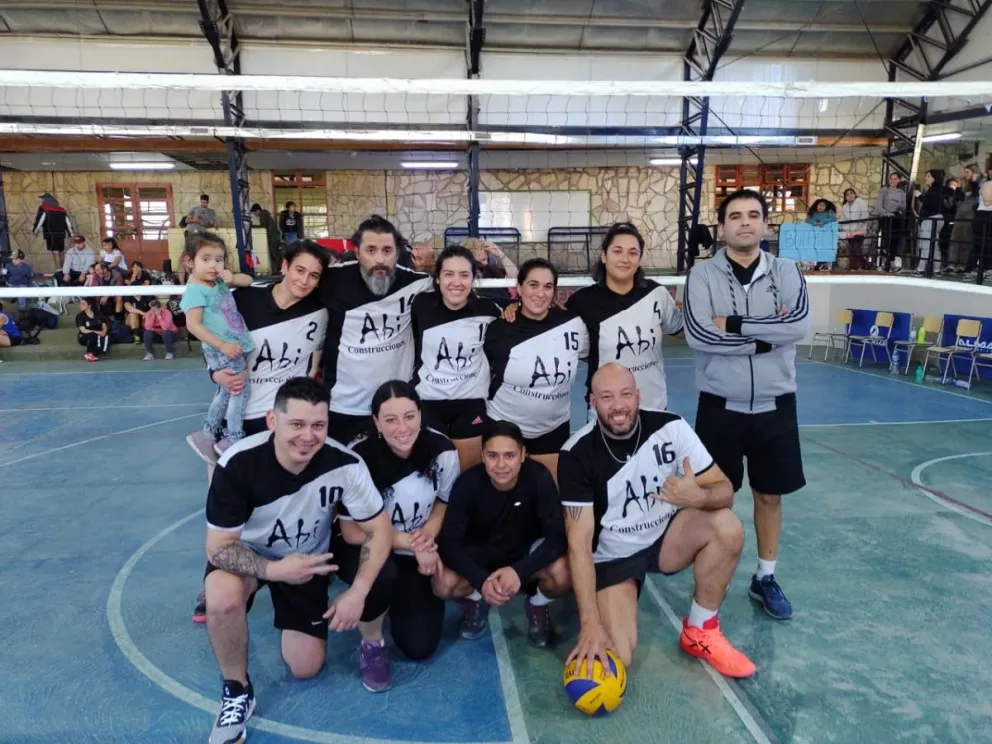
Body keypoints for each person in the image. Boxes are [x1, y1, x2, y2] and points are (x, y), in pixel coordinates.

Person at [202, 377, 392, 744]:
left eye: (318, 425)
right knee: (221, 598)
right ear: (272, 420)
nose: (308, 436)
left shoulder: (345, 464)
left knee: (305, 667)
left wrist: (358, 592)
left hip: (307, 563)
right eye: (297, 424)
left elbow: (379, 529)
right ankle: (236, 691)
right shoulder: (237, 463)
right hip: (251, 555)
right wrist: (274, 570)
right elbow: (218, 548)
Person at [559, 363, 755, 678]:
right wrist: (590, 622)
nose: (618, 405)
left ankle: (700, 630)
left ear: (638, 396)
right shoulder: (576, 453)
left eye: (626, 394)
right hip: (613, 557)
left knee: (726, 526)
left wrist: (698, 497)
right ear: (592, 403)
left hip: (665, 540)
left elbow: (725, 491)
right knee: (616, 659)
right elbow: (578, 543)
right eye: (607, 397)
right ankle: (595, 602)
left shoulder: (671, 428)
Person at [683, 188, 810, 621]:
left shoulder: (787, 270)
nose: (745, 222)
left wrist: (735, 324)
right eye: (735, 216)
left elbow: (798, 326)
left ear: (765, 224)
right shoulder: (702, 276)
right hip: (720, 405)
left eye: (753, 215)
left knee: (769, 495)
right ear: (722, 227)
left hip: (776, 404)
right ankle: (708, 581)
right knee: (714, 499)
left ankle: (765, 578)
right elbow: (700, 334)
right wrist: (765, 338)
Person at [189, 239, 330, 624]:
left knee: (291, 502)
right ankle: (217, 579)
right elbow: (208, 336)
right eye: (299, 270)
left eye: (313, 275)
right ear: (284, 266)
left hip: (287, 422)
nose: (304, 280)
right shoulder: (244, 300)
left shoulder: (320, 310)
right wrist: (215, 373)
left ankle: (298, 573)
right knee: (227, 506)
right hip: (241, 418)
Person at [334, 381, 461, 690]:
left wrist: (426, 537)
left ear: (420, 414)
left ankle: (392, 603)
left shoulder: (442, 450)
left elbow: (444, 502)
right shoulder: (357, 459)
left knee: (420, 647)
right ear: (376, 422)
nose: (402, 428)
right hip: (365, 546)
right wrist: (411, 543)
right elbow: (351, 531)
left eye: (409, 416)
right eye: (390, 419)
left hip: (416, 547)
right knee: (382, 574)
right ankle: (372, 642)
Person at [507, 222, 683, 413]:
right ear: (604, 256)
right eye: (617, 251)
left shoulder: (656, 293)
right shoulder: (582, 302)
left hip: (654, 407)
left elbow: (681, 329)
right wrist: (516, 305)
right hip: (606, 412)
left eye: (633, 253)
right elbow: (548, 323)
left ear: (639, 259)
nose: (625, 259)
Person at [436, 420, 570, 648]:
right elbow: (449, 542)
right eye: (492, 456)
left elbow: (557, 538)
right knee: (442, 583)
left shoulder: (539, 478)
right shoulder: (468, 484)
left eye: (509, 455)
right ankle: (476, 597)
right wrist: (480, 580)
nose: (501, 465)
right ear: (483, 455)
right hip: (482, 556)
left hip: (525, 556)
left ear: (523, 454)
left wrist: (519, 571)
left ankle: (538, 603)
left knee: (564, 573)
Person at [317, 215, 433, 444]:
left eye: (387, 250)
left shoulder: (418, 284)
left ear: (397, 253)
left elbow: (458, 293)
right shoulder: (332, 279)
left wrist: (508, 308)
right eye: (371, 250)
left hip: (396, 407)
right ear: (357, 252)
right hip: (344, 407)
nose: (380, 259)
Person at [484, 258, 588, 480]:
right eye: (533, 285)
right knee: (504, 488)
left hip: (553, 427)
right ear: (519, 288)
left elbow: (590, 353)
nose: (540, 293)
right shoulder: (499, 329)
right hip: (504, 424)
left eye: (547, 287)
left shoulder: (573, 324)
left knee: (549, 489)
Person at [412, 245, 502, 469]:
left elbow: (522, 305)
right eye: (449, 274)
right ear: (438, 278)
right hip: (428, 400)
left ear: (473, 278)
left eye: (464, 275)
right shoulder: (421, 305)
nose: (456, 282)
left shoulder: (489, 310)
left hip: (471, 401)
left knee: (468, 474)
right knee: (433, 473)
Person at [181, 232, 256, 458]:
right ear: (189, 261)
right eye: (206, 259)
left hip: (232, 346)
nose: (213, 265)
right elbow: (193, 325)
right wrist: (222, 345)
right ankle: (233, 438)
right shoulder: (195, 290)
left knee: (227, 391)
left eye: (219, 259)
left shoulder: (219, 282)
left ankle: (206, 434)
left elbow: (248, 281)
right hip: (223, 349)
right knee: (239, 390)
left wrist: (232, 277)